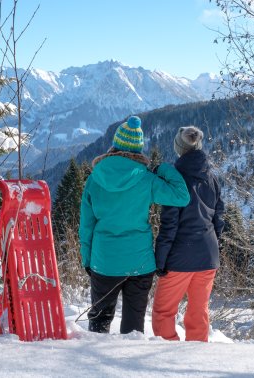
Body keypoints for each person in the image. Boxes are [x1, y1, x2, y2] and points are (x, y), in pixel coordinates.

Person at [79, 116, 190, 334]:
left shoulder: (94, 178)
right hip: (140, 262)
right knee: (133, 325)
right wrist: (164, 169)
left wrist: (87, 259)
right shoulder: (146, 179)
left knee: (99, 321)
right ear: (138, 149)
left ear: (115, 144)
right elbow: (181, 196)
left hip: (105, 260)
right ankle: (127, 364)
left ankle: (95, 360)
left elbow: (87, 225)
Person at [152, 126, 225, 342]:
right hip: (208, 255)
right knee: (198, 313)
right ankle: (195, 356)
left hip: (179, 257)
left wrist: (160, 259)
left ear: (179, 147)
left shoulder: (176, 180)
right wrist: (213, 244)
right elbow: (219, 217)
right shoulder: (211, 177)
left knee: (163, 313)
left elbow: (169, 224)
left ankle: (169, 356)